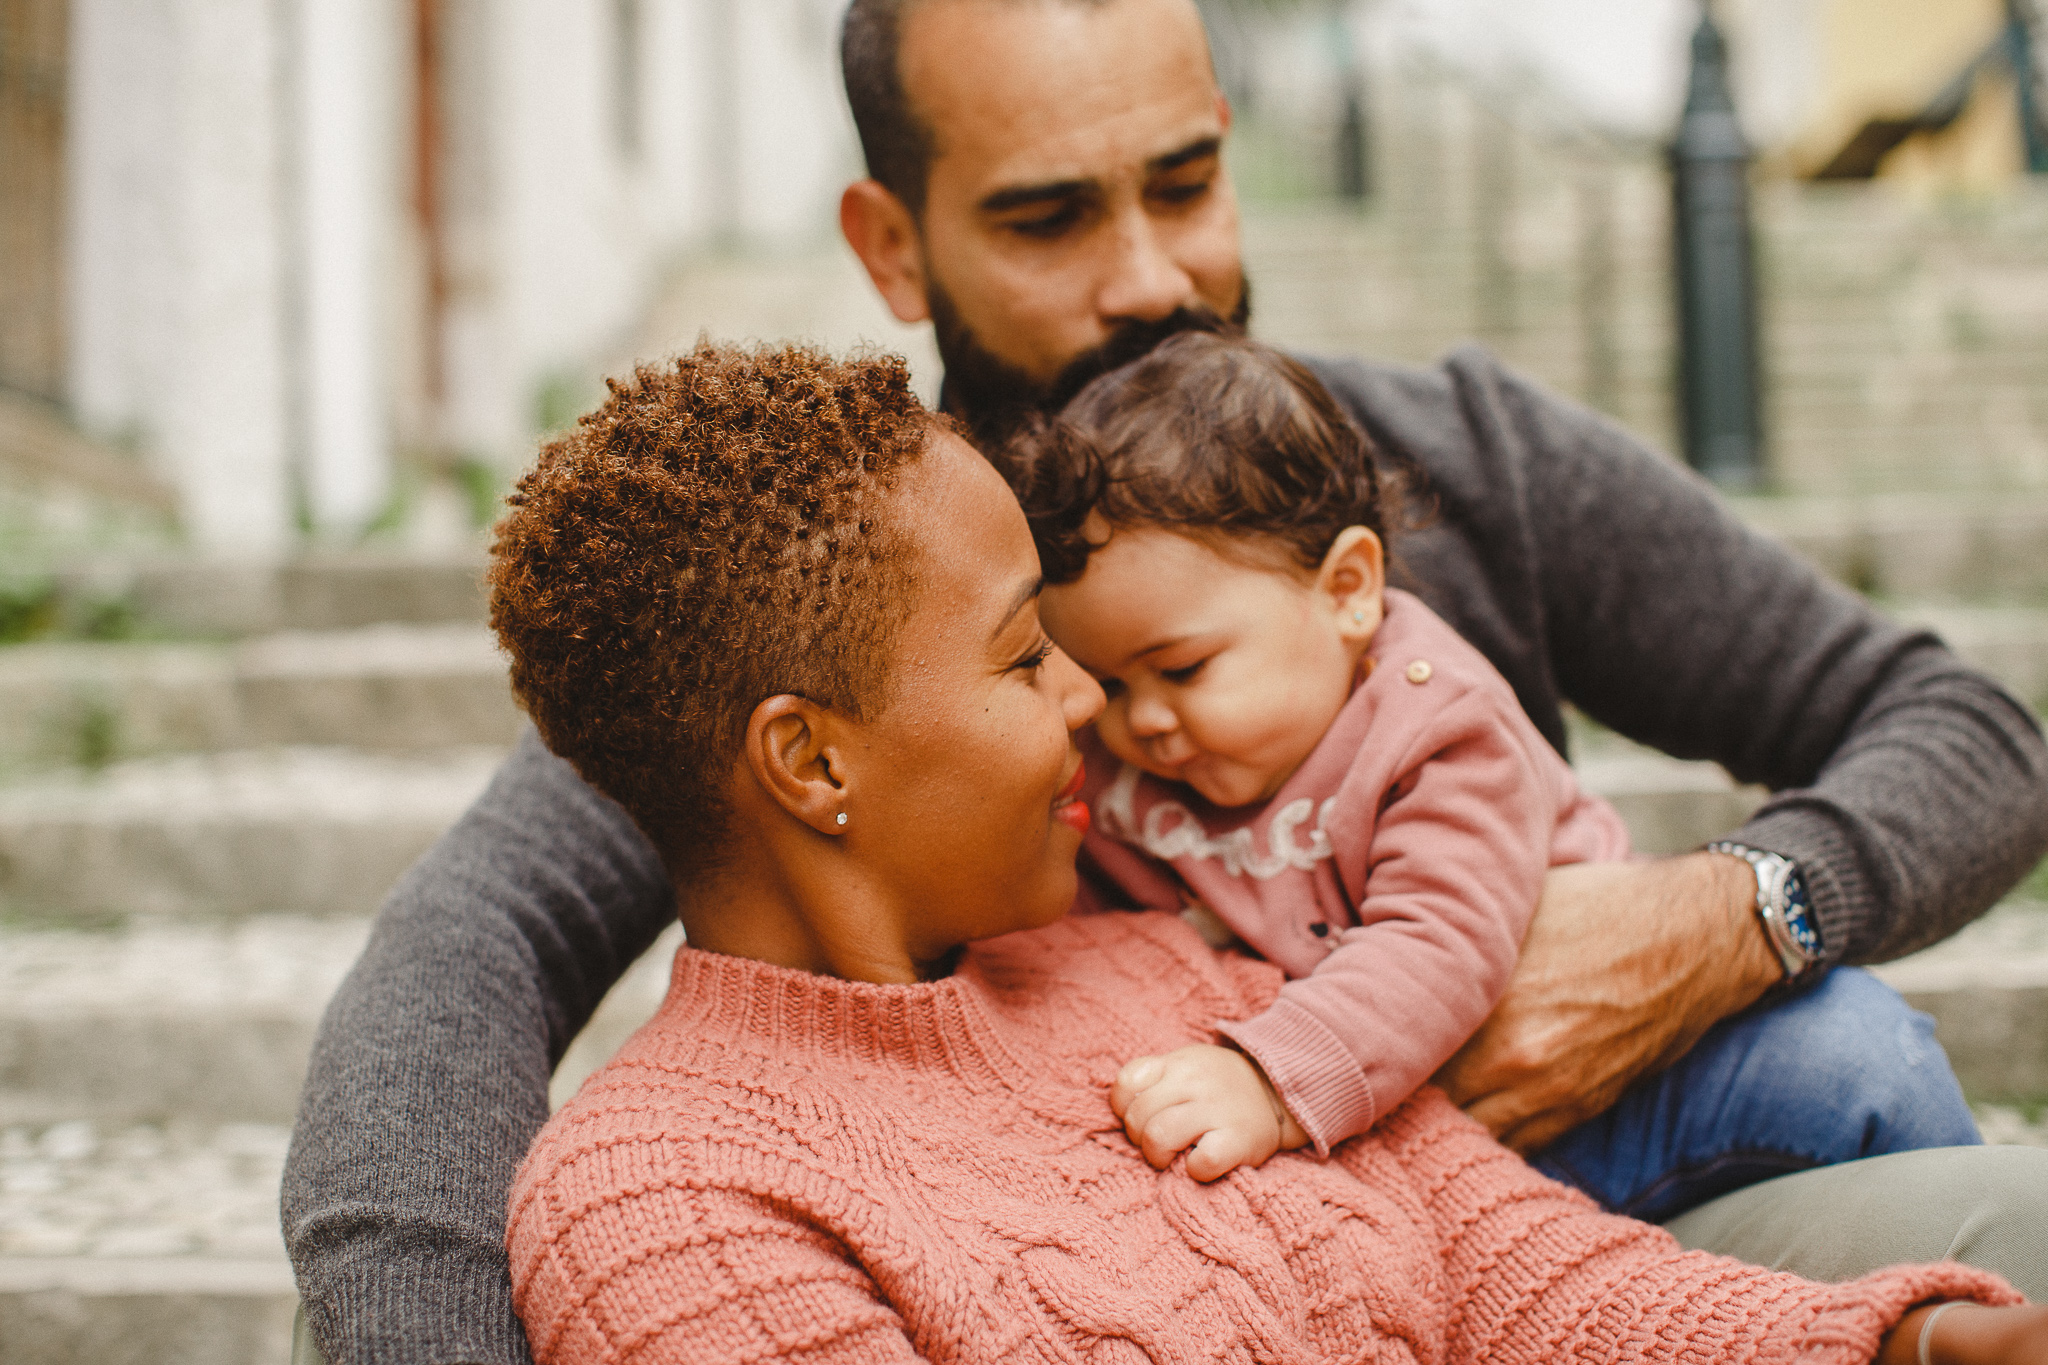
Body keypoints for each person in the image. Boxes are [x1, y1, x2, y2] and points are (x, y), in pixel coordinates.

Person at [281, 0, 2048, 1358]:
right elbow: (466, 954)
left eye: (1185, 184)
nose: (1152, 279)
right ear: (891, 245)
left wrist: (1724, 917)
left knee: (1879, 1101)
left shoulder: (1461, 454)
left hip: (1559, 1213)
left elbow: (1970, 733)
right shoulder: (844, 595)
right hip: (1157, 1238)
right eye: (1048, 216)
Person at [494, 340, 2044, 1365]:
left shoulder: (1152, 958)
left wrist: (1891, 1344)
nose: (1098, 704)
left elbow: (1524, 1269)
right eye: (1030, 657)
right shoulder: (665, 1197)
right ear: (812, 760)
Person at [1000, 329, 1978, 1217]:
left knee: (1862, 1056)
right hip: (1399, 1138)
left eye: (1180, 670)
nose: (1142, 724)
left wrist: (1269, 1079)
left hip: (1611, 1086)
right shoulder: (1127, 765)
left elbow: (1442, 940)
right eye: (1109, 685)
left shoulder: (1435, 725)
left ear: (1346, 591)